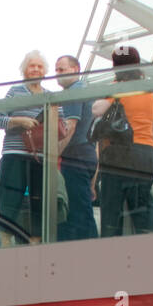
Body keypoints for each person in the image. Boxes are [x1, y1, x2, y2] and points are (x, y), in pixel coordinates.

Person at [92, 46, 153, 237]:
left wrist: (112, 91)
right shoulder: (150, 92)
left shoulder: (117, 89)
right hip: (146, 154)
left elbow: (97, 110)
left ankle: (112, 261)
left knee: (112, 215)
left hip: (119, 155)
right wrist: (151, 145)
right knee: (143, 213)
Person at [0, 51, 54, 245]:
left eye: (39, 66)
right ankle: (5, 244)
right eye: (31, 66)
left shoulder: (50, 96)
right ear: (25, 70)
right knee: (10, 199)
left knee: (39, 202)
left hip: (40, 156)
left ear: (45, 71)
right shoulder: (15, 91)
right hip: (14, 153)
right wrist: (19, 120)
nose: (35, 69)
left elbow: (58, 124)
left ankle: (36, 245)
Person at [55, 54, 98, 241]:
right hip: (86, 154)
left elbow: (70, 127)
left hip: (76, 155)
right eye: (56, 70)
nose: (57, 74)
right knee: (83, 208)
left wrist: (52, 154)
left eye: (62, 69)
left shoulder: (73, 92)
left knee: (77, 212)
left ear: (75, 69)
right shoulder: (86, 91)